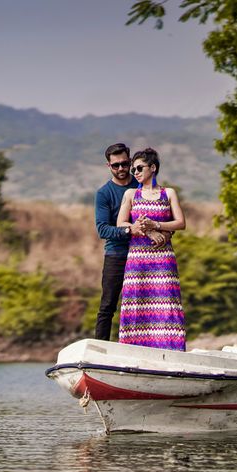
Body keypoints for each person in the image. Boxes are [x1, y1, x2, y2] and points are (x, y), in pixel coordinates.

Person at [115, 147, 186, 351]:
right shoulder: (131, 194)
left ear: (152, 168)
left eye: (139, 168)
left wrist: (157, 226)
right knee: (137, 302)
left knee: (166, 302)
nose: (135, 172)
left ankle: (170, 349)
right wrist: (144, 231)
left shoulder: (168, 193)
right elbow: (121, 223)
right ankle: (133, 350)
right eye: (133, 170)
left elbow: (180, 223)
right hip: (138, 259)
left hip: (163, 258)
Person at [93, 143, 140, 341]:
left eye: (124, 163)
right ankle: (99, 352)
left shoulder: (141, 187)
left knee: (142, 304)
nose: (121, 168)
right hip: (116, 254)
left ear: (130, 162)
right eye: (116, 165)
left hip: (143, 253)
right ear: (109, 166)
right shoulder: (104, 193)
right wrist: (130, 230)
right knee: (108, 306)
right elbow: (103, 229)